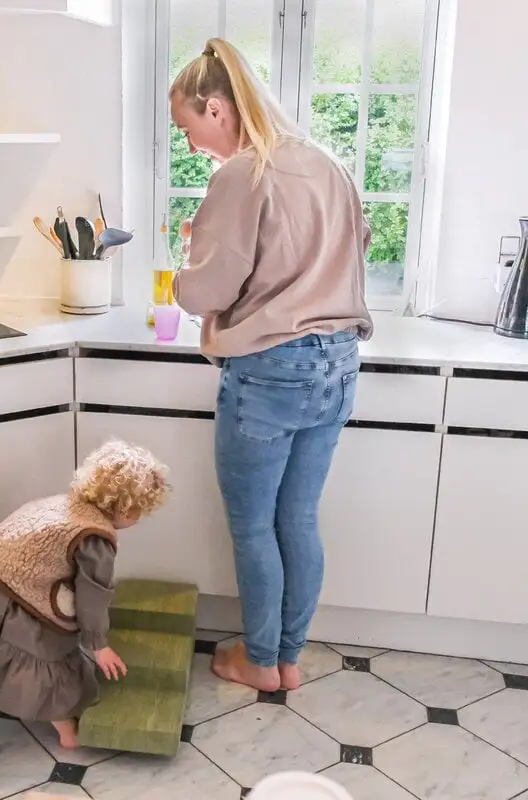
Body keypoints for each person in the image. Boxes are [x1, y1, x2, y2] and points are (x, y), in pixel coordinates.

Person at [171, 38, 373, 694]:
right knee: (300, 518)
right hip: (338, 362)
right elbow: (352, 248)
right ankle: (287, 657)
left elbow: (207, 291)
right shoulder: (326, 162)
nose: (191, 143)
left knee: (255, 526)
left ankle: (259, 661)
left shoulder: (243, 172)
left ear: (216, 107)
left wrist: (186, 265)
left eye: (188, 127)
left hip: (272, 368)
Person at [0, 440, 170, 749]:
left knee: (12, 644)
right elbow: (92, 597)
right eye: (139, 512)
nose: (138, 520)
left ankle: (18, 693)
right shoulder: (95, 540)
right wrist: (99, 645)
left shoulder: (62, 504)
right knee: (47, 653)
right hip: (18, 593)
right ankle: (67, 731)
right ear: (124, 508)